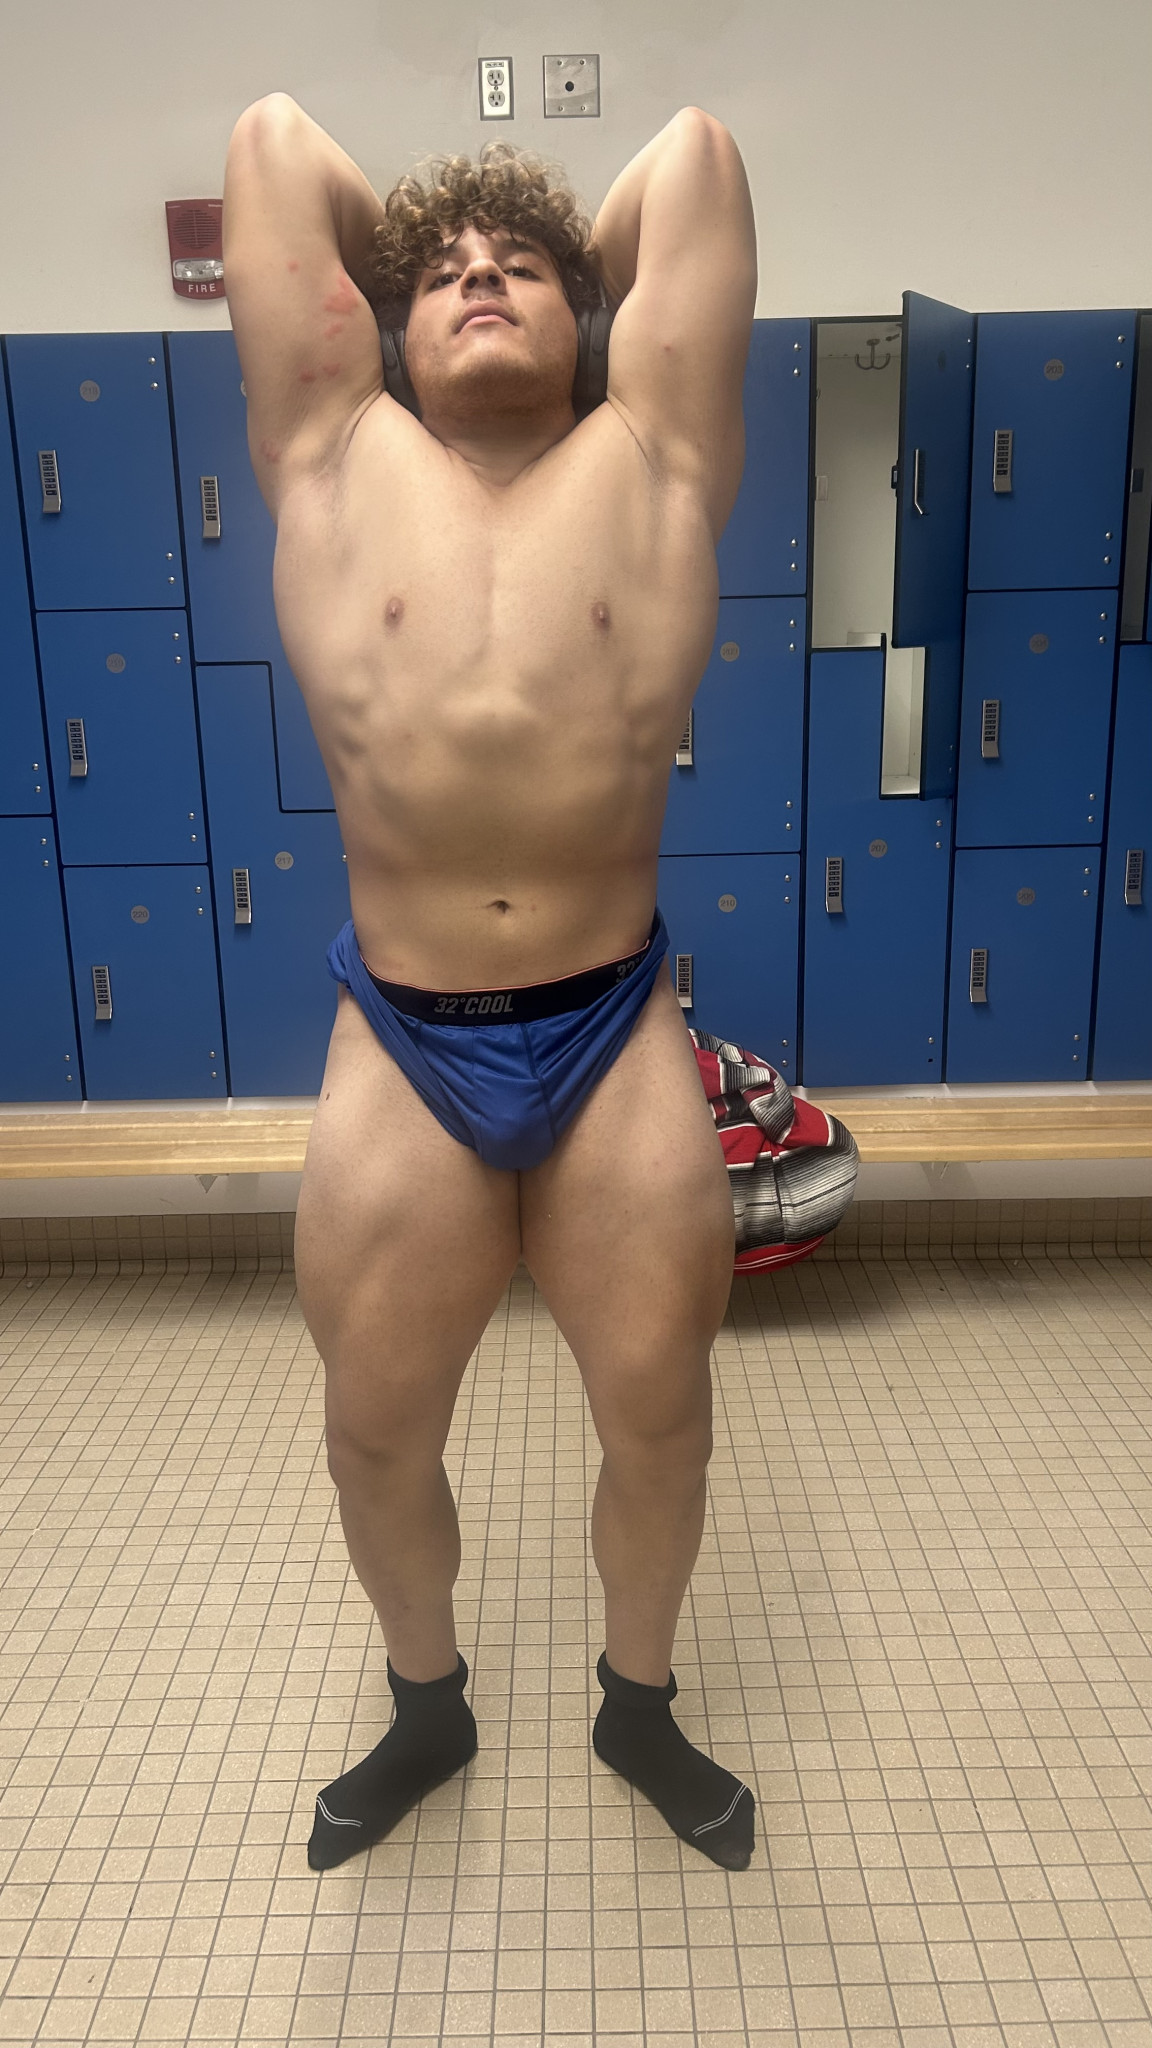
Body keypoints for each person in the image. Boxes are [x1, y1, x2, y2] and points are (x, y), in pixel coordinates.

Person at [222, 91, 758, 1872]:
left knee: (660, 1412)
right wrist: (440, 247)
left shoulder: (656, 455)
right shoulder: (331, 451)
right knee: (372, 1429)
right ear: (382, 317)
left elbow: (693, 156)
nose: (476, 278)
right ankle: (426, 1704)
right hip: (406, 1034)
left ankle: (639, 1706)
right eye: (441, 269)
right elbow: (274, 141)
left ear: (588, 313)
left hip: (612, 1026)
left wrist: (549, 253)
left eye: (517, 263)